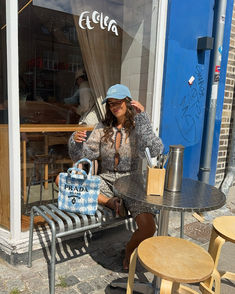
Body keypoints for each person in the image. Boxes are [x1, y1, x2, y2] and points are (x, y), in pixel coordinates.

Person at [68, 84, 164, 269]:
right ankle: (109, 202)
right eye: (111, 103)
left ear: (128, 102)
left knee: (148, 228)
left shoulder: (138, 126)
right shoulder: (102, 127)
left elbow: (155, 150)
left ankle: (129, 249)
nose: (114, 106)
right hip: (106, 180)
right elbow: (85, 156)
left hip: (132, 183)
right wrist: (76, 143)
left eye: (118, 102)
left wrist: (142, 119)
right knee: (67, 181)